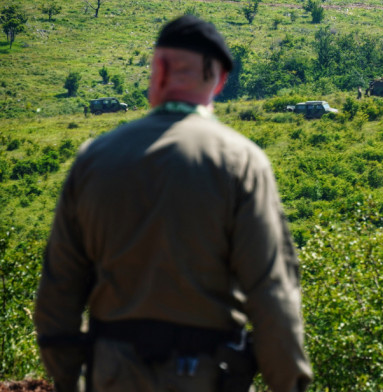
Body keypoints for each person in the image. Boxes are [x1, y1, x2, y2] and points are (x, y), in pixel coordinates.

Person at [34, 15, 312, 392]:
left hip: (112, 375)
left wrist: (70, 379)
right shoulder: (242, 162)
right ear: (219, 78)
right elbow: (272, 294)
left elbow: (57, 294)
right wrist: (288, 383)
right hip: (206, 374)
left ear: (157, 70)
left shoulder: (93, 159)